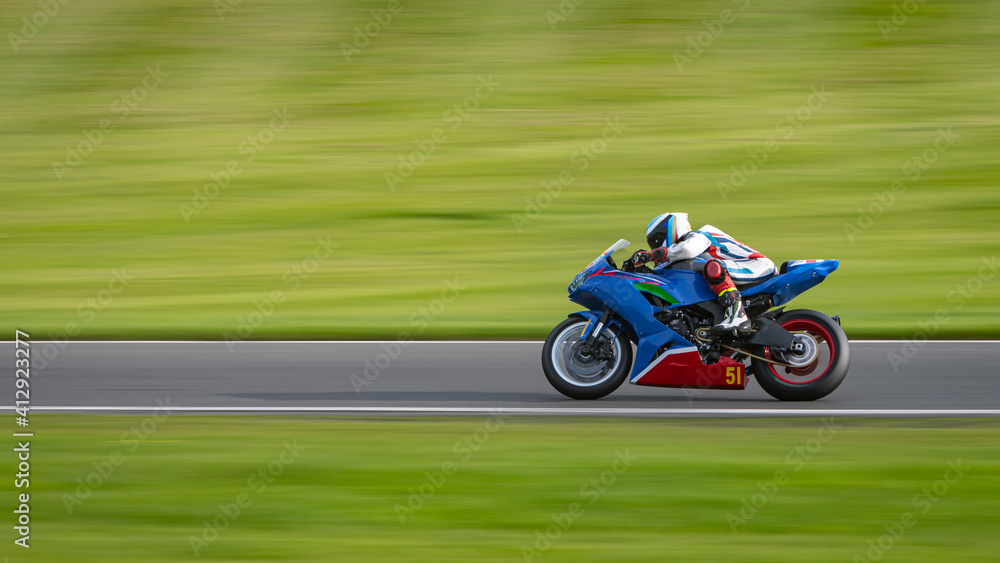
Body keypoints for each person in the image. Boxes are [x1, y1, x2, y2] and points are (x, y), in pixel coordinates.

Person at [623, 212, 776, 333]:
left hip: (757, 265)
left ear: (672, 229)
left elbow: (687, 250)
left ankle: (737, 315)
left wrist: (651, 255)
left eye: (657, 238)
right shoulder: (680, 249)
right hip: (743, 269)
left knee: (712, 267)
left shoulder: (699, 236)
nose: (655, 244)